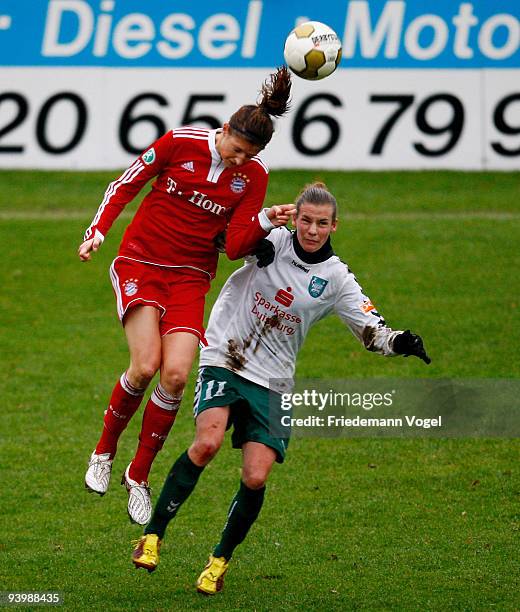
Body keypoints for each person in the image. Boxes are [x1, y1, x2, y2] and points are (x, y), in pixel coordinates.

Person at [130, 182, 431, 593]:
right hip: (226, 357)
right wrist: (253, 233)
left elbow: (370, 330)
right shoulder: (271, 240)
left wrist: (401, 342)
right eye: (305, 220)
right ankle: (152, 535)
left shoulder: (337, 279)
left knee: (255, 476)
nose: (311, 230)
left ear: (334, 227)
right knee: (207, 443)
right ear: (296, 219)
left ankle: (218, 561)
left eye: (321, 224)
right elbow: (222, 238)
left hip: (273, 380)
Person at [79, 67, 293, 525]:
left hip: (191, 276)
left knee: (175, 377)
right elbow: (126, 183)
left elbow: (235, 245)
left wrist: (267, 220)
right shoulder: (180, 141)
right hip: (140, 261)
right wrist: (97, 231)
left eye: (248, 156)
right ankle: (103, 451)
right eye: (236, 151)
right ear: (225, 131)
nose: (239, 162)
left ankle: (138, 475)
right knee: (144, 366)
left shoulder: (253, 176)